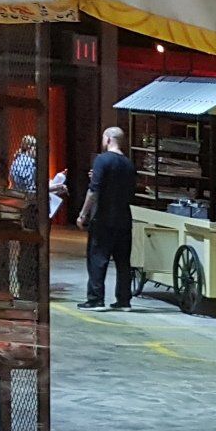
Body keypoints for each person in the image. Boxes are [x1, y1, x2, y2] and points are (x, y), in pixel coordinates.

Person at [77, 126, 136, 310]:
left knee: (97, 258)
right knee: (123, 261)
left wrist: (83, 214)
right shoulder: (128, 164)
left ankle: (96, 299)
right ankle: (124, 300)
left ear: (109, 139)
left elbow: (94, 190)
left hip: (103, 217)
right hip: (124, 218)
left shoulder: (102, 160)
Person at [8, 136, 39, 302]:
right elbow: (30, 189)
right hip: (28, 207)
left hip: (27, 206)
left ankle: (29, 283)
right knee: (28, 248)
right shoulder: (25, 163)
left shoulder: (24, 162)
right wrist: (53, 187)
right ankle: (27, 285)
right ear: (29, 148)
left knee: (29, 248)